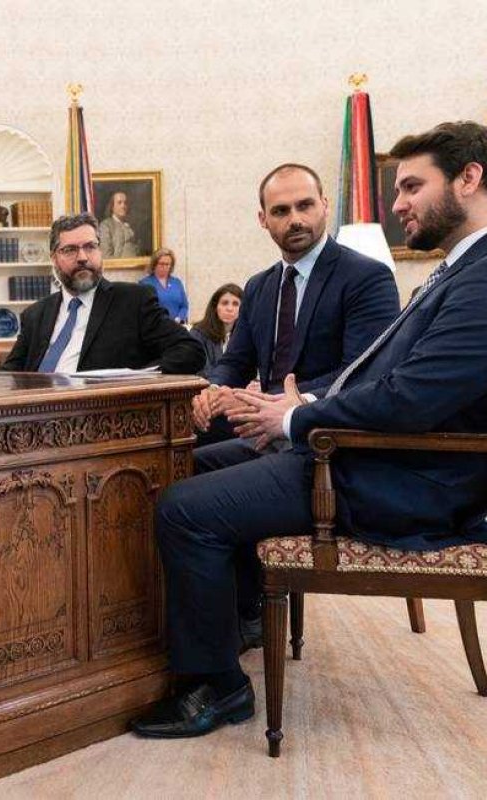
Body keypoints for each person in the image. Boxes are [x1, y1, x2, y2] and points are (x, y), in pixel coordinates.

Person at [131, 121, 487, 740]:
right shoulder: (459, 270)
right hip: (364, 451)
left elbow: (411, 398)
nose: (397, 203)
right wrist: (250, 404)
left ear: (470, 178)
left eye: (409, 186)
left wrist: (295, 417)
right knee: (196, 464)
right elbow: (379, 378)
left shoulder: (479, 278)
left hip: (405, 476)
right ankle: (225, 626)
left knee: (182, 508)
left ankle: (215, 686)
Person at [190, 164, 400, 646]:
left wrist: (294, 404)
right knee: (179, 460)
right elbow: (232, 360)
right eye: (281, 211)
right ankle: (238, 608)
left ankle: (246, 614)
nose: (296, 219)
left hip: (326, 446)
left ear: (325, 205)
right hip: (266, 434)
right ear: (263, 219)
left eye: (305, 205)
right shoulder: (261, 285)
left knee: (200, 485)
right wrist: (213, 389)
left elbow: (367, 376)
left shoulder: (366, 278)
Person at [0, 213, 204, 374]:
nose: (82, 257)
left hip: (103, 417)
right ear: (54, 258)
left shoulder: (133, 301)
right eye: (70, 250)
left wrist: (140, 379)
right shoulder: (35, 314)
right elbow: (9, 374)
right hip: (36, 417)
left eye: (90, 247)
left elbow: (189, 350)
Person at [189, 283, 243, 374]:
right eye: (224, 303)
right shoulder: (197, 334)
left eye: (235, 304)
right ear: (215, 307)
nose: (229, 309)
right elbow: (202, 371)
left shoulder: (244, 336)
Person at [138, 248, 189, 322]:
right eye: (161, 264)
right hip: (156, 327)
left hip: (177, 326)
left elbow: (184, 306)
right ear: (154, 264)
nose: (164, 267)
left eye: (167, 264)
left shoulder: (177, 282)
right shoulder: (145, 284)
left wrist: (179, 318)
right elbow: (145, 310)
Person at [97, 191, 140, 258]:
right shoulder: (105, 226)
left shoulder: (132, 226)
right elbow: (106, 255)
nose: (123, 206)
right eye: (119, 203)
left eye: (125, 203)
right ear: (112, 206)